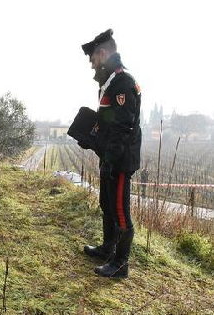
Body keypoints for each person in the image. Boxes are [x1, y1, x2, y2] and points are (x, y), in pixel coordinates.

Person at [80, 29, 142, 278]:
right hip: (109, 156)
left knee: (120, 211)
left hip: (120, 159)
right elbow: (108, 121)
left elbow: (123, 127)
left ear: (102, 53)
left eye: (93, 59)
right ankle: (108, 249)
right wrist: (91, 136)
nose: (91, 65)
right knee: (106, 205)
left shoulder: (123, 82)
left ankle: (121, 264)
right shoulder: (109, 83)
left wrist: (111, 159)